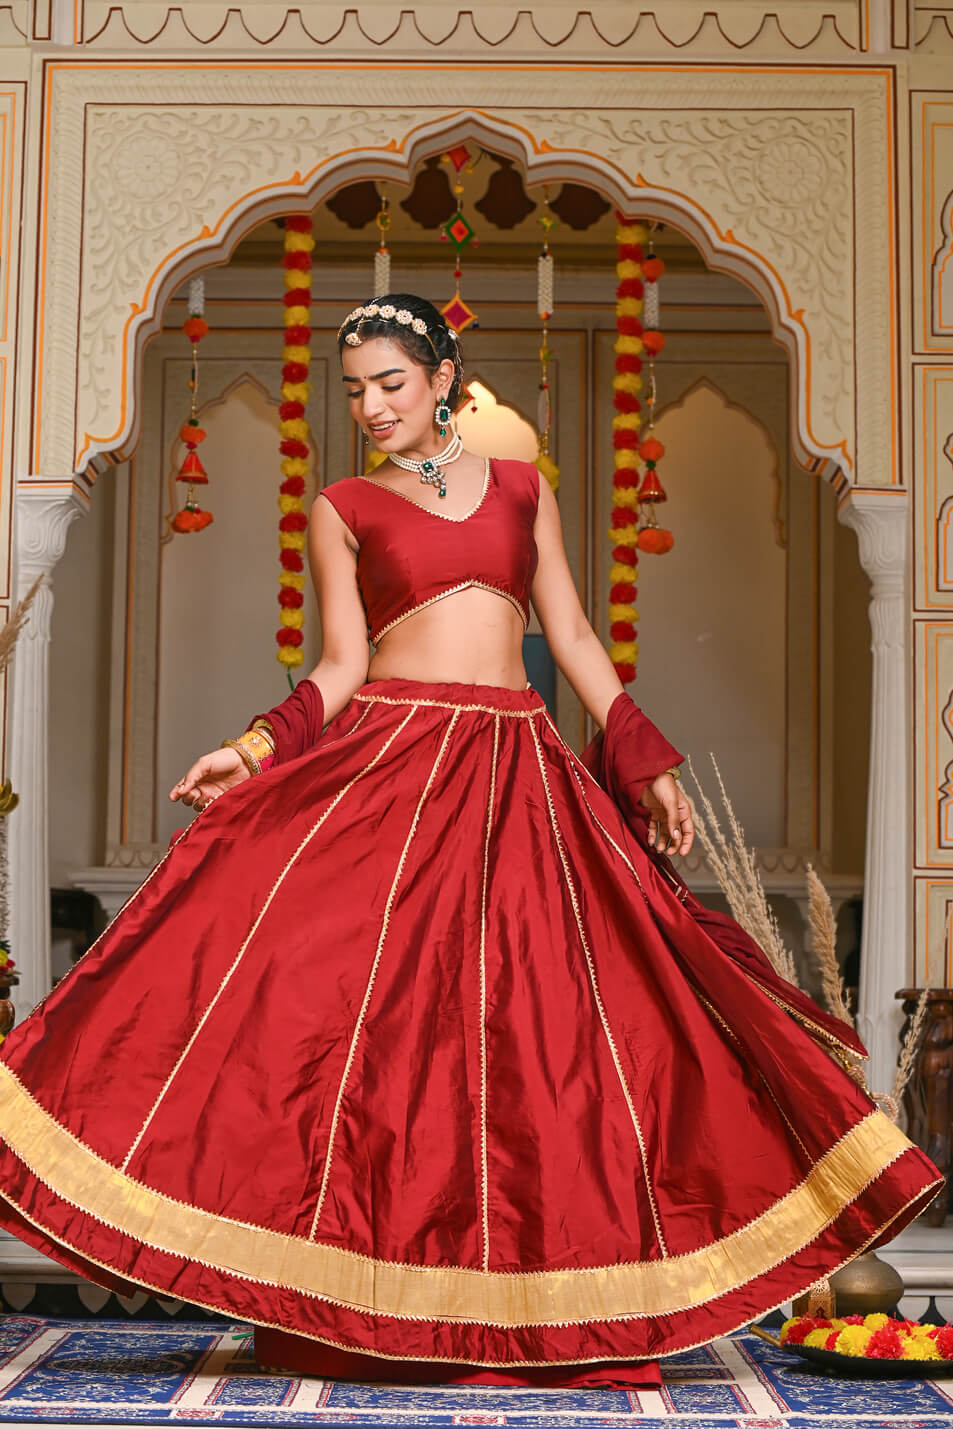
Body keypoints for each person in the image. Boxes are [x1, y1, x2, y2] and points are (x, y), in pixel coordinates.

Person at [0, 295, 939, 1391]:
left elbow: (572, 634)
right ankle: (360, 1302)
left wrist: (645, 755)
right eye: (354, 389)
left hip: (518, 779)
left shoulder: (523, 490)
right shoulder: (343, 504)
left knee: (547, 1040)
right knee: (369, 1037)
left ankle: (535, 1308)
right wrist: (251, 751)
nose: (371, 407)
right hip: (389, 776)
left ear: (443, 376)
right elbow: (342, 666)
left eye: (390, 384)